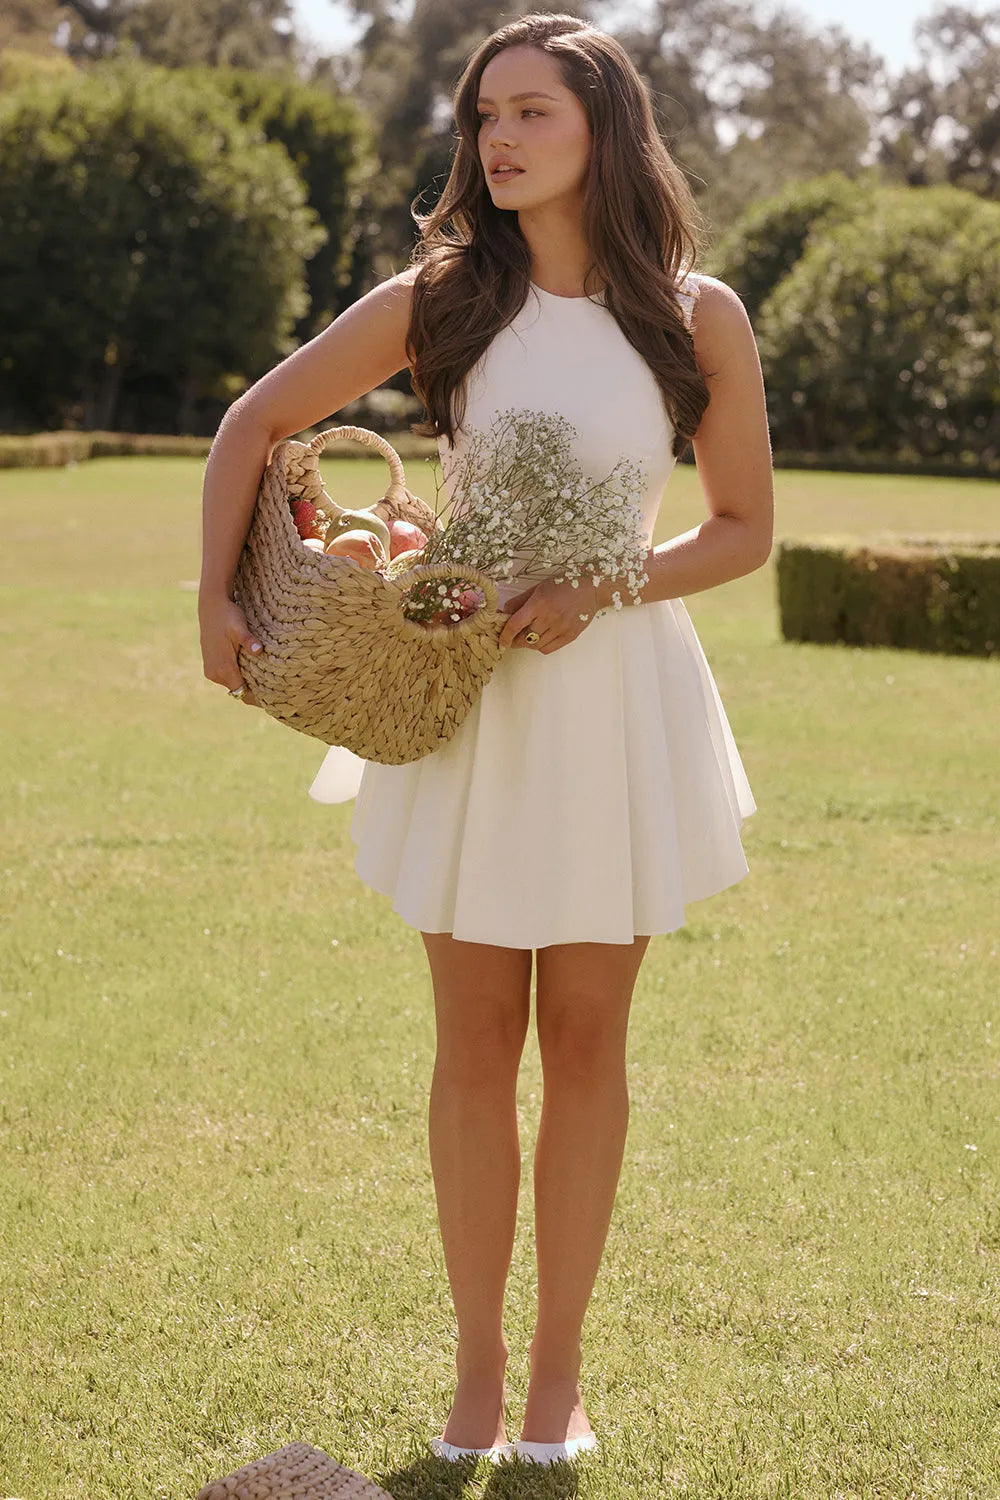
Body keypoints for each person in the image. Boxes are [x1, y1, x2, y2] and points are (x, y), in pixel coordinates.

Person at [199, 10, 773, 1472]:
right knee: (472, 1051)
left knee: (587, 1048)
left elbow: (748, 531)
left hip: (619, 708)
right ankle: (475, 1373)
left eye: (530, 113)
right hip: (465, 711)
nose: (499, 140)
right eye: (483, 118)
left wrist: (604, 585)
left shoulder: (697, 316)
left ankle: (557, 1385)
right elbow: (254, 424)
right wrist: (216, 598)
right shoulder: (440, 299)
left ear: (604, 130)